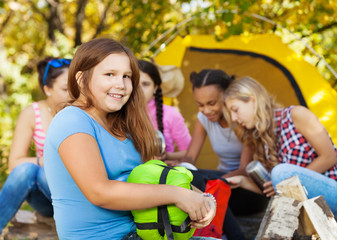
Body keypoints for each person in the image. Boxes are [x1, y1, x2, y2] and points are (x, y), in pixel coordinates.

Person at [43, 38, 217, 240]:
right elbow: (100, 192)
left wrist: (204, 199)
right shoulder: (72, 120)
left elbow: (159, 174)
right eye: (110, 74)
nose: (121, 84)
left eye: (126, 76)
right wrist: (178, 195)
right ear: (82, 79)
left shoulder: (125, 126)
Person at [223, 76, 337, 215]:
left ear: (253, 100)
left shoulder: (296, 115)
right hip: (306, 201)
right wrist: (241, 181)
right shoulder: (261, 139)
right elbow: (275, 187)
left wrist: (287, 180)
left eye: (235, 110)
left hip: (332, 188)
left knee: (280, 173)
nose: (234, 118)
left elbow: (330, 157)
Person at [178, 69, 268, 216]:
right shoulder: (203, 118)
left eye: (211, 103)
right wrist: (180, 170)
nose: (206, 110)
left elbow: (244, 170)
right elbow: (190, 157)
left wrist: (211, 184)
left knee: (204, 189)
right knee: (188, 177)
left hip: (246, 188)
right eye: (200, 105)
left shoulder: (242, 119)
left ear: (226, 96)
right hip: (221, 180)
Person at [0, 57, 71, 233]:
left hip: (75, 195)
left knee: (43, 171)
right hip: (47, 197)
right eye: (65, 89)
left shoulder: (83, 111)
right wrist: (48, 161)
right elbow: (15, 163)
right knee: (29, 170)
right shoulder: (32, 113)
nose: (73, 93)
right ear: (47, 89)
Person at [138, 59, 191, 161]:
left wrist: (168, 157)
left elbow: (189, 151)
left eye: (145, 84)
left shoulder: (171, 114)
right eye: (134, 83)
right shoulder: (119, 113)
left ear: (155, 87)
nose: (139, 90)